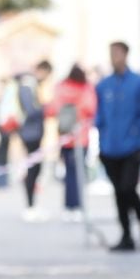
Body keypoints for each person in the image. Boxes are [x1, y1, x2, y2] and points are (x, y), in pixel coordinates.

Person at [95, 42, 140, 251]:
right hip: (110, 148)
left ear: (126, 55)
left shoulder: (139, 83)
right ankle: (126, 235)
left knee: (128, 189)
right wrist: (102, 143)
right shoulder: (104, 85)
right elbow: (100, 116)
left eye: (117, 53)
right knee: (119, 194)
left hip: (131, 148)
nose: (114, 57)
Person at [49, 64, 95, 215]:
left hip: (65, 136)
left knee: (69, 173)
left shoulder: (60, 88)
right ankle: (78, 205)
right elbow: (91, 108)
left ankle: (68, 206)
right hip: (81, 138)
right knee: (80, 173)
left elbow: (52, 109)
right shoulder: (86, 89)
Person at [19, 61, 52, 218]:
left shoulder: (31, 84)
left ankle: (32, 205)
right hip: (29, 133)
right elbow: (30, 110)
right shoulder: (27, 85)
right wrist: (45, 108)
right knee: (33, 169)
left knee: (36, 169)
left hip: (34, 132)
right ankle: (30, 206)